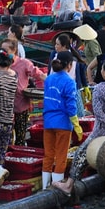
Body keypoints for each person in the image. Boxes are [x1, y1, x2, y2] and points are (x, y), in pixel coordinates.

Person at [55, 57, 105, 206]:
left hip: (100, 135)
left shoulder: (100, 88)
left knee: (81, 155)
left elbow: (98, 112)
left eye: (102, 68)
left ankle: (68, 185)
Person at [42, 51, 82, 190]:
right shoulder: (69, 82)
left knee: (48, 155)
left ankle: (44, 186)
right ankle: (56, 188)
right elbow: (71, 106)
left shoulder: (49, 79)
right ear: (70, 65)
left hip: (48, 122)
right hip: (63, 123)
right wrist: (76, 123)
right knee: (61, 156)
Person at [4, 39, 46, 147]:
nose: (3, 53)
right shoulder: (0, 64)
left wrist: (52, 83)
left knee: (20, 136)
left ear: (14, 50)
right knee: (5, 136)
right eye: (2, 50)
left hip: (21, 105)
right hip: (5, 107)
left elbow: (38, 74)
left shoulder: (24, 63)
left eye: (6, 50)